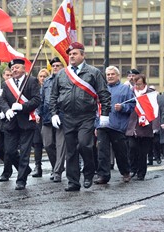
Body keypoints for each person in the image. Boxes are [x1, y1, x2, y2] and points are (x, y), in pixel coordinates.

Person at [50, 42, 111, 191]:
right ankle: (73, 182)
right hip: (68, 116)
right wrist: (53, 114)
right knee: (71, 150)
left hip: (86, 116)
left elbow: (104, 94)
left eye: (75, 54)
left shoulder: (93, 72)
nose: (71, 56)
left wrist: (105, 114)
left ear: (83, 55)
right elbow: (53, 96)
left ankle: (89, 173)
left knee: (85, 144)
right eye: (70, 54)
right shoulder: (62, 74)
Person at [0, 58, 41, 190]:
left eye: (17, 67)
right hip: (11, 122)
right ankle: (25, 169)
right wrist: (6, 111)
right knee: (10, 152)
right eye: (12, 69)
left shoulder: (31, 81)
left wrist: (22, 107)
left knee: (24, 152)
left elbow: (36, 100)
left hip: (26, 121)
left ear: (24, 69)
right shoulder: (7, 84)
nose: (14, 70)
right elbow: (3, 100)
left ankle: (21, 180)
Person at [95, 66, 135, 184]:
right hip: (102, 125)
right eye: (108, 74)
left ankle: (125, 172)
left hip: (117, 126)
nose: (110, 76)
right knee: (102, 151)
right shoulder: (101, 90)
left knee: (120, 151)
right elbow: (95, 109)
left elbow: (133, 106)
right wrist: (95, 125)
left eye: (112, 74)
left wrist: (123, 107)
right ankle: (103, 175)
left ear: (118, 76)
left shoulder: (125, 89)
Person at [40, 57, 66, 182]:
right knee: (48, 144)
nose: (55, 67)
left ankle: (57, 172)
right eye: (53, 65)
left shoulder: (67, 79)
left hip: (62, 115)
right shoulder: (47, 81)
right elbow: (41, 98)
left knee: (61, 145)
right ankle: (56, 166)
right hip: (47, 116)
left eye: (58, 65)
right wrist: (38, 113)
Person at [0, 68, 14, 181]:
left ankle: (7, 171)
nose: (9, 77)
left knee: (8, 149)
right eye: (7, 75)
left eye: (11, 75)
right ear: (3, 75)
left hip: (9, 121)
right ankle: (20, 165)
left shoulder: (15, 89)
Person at [32, 68, 49, 178]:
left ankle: (55, 167)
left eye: (45, 76)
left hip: (48, 118)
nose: (42, 78)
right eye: (41, 76)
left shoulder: (50, 87)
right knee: (37, 143)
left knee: (49, 144)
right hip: (37, 119)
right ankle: (38, 166)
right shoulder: (35, 88)